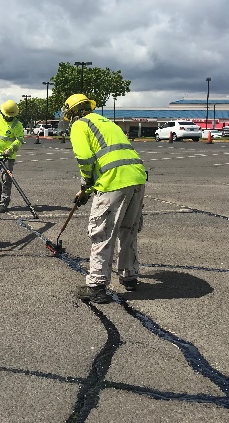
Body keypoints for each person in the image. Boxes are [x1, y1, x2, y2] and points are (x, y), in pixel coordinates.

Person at [62, 93, 147, 304]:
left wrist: (84, 185)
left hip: (114, 182)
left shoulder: (80, 125)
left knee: (102, 233)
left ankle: (97, 286)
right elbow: (110, 157)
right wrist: (89, 191)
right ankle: (129, 277)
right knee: (128, 230)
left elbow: (85, 158)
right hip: (137, 178)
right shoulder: (107, 122)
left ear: (71, 113)